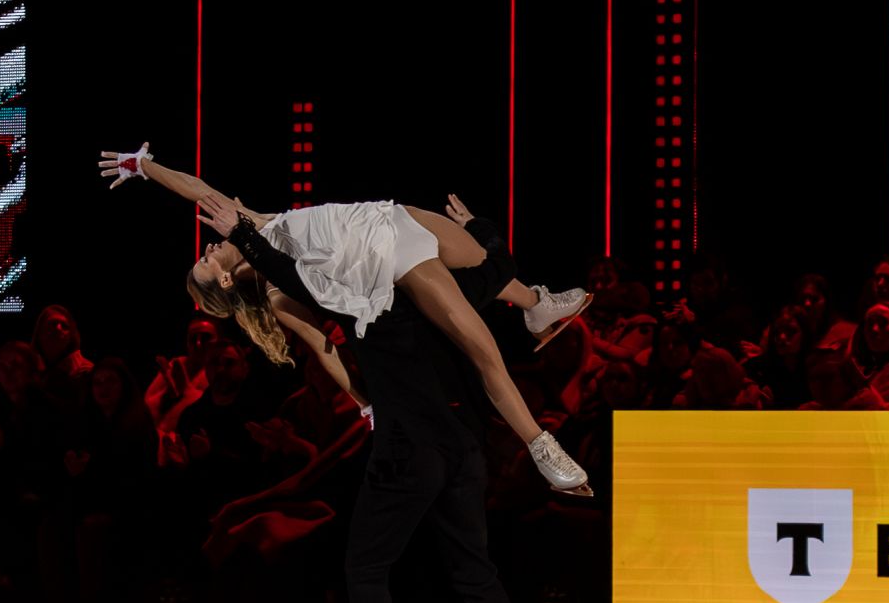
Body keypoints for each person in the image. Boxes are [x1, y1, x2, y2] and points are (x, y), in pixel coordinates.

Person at [212, 194, 553, 603]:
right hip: (463, 444)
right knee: (473, 569)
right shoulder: (425, 284)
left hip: (408, 450)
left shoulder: (348, 295)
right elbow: (498, 267)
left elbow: (300, 287)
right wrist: (480, 226)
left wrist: (245, 236)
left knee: (366, 567)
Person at [98, 143, 593, 493]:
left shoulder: (252, 223)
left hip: (389, 215)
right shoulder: (277, 291)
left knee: (485, 264)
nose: (207, 250)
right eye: (205, 263)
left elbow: (196, 187)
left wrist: (143, 166)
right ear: (224, 281)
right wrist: (364, 404)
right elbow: (324, 347)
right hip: (391, 258)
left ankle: (536, 306)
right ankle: (541, 446)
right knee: (484, 351)